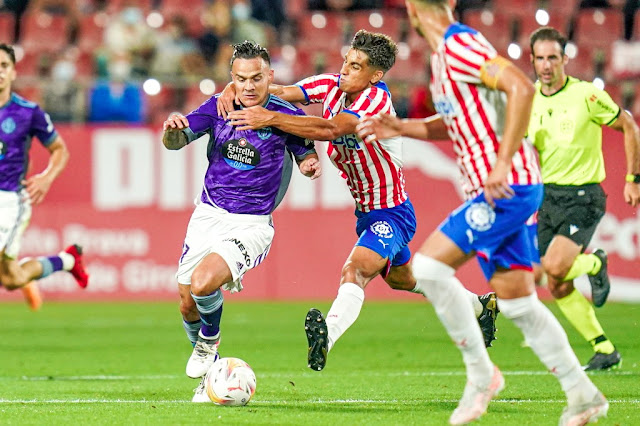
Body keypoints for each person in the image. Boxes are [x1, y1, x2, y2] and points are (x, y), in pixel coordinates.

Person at [355, 2, 607, 425]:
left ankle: (481, 375)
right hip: (505, 187)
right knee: (518, 304)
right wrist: (401, 127)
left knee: (430, 268)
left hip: (507, 187)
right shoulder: (442, 58)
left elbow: (521, 88)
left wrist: (502, 163)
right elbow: (454, 123)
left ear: (415, 9)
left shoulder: (459, 45)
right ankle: (583, 396)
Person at [217, 29, 500, 372]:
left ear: (375, 75)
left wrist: (272, 117)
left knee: (355, 270)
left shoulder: (376, 102)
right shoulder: (332, 85)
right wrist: (238, 88)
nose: (346, 71)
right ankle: (480, 308)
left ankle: (327, 335)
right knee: (402, 278)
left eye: (356, 66)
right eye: (347, 62)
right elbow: (276, 91)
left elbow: (330, 130)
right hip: (367, 213)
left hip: (392, 212)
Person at [161, 41, 321, 397]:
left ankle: (209, 342)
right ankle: (209, 371)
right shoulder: (219, 106)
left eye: (257, 78)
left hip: (250, 224)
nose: (249, 86)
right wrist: (172, 130)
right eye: (241, 79)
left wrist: (309, 163)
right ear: (231, 78)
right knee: (187, 302)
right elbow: (176, 140)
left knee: (204, 283)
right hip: (208, 214)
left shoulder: (285, 114)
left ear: (271, 76)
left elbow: (305, 150)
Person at [527, 26, 640, 371]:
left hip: (583, 196)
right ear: (532, 60)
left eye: (552, 58)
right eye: (540, 58)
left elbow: (629, 126)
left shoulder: (587, 95)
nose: (546, 65)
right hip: (547, 198)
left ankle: (595, 263)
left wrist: (633, 178)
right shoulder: (526, 98)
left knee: (553, 268)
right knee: (557, 285)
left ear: (564, 59)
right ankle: (604, 348)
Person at [0, 43, 89, 310]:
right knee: (11, 278)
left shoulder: (27, 112)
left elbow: (59, 149)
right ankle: (68, 260)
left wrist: (47, 177)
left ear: (14, 72)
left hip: (9, 201)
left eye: (4, 66)